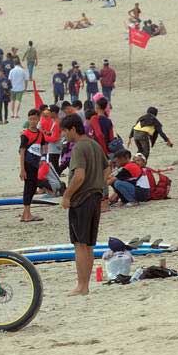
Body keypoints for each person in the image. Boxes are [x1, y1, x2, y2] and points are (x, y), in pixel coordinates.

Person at [60, 114, 109, 296]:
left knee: (80, 244)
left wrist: (67, 196)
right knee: (88, 244)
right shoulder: (95, 145)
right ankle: (85, 285)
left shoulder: (79, 147)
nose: (64, 135)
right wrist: (97, 183)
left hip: (82, 199)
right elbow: (107, 168)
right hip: (95, 197)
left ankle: (81, 286)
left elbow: (79, 176)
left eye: (65, 131)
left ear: (73, 129)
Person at [19, 110, 45, 223]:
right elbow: (22, 151)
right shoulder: (25, 135)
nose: (32, 121)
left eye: (34, 119)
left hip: (36, 164)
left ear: (38, 119)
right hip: (27, 164)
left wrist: (42, 159)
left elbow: (43, 147)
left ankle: (26, 214)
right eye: (30, 119)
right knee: (28, 188)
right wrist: (22, 169)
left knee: (33, 187)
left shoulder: (40, 134)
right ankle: (27, 213)